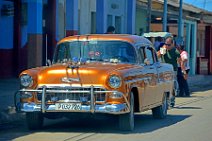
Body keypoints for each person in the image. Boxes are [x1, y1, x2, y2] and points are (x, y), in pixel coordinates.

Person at [157, 37, 181, 107]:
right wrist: (163, 49)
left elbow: (179, 60)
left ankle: (172, 100)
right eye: (166, 44)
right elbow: (157, 56)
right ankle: (165, 101)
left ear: (172, 44)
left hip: (173, 70)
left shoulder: (175, 51)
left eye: (169, 45)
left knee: (172, 85)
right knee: (164, 85)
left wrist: (182, 69)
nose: (167, 46)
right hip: (164, 71)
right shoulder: (164, 50)